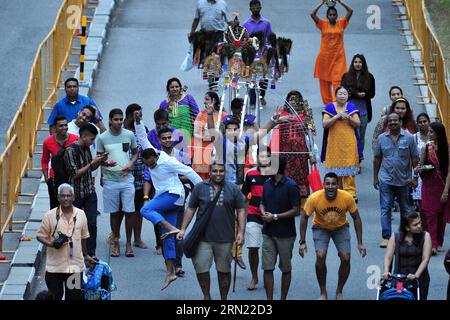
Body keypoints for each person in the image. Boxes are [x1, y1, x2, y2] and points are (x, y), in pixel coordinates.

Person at [134, 112, 203, 290]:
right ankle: (170, 273)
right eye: (148, 166)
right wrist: (138, 121)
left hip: (174, 195)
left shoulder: (168, 161)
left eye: (152, 164)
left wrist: (203, 191)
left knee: (145, 210)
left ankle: (172, 228)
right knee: (167, 240)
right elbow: (142, 138)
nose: (151, 167)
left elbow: (190, 172)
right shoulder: (151, 151)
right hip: (165, 197)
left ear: (156, 158)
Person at [177, 163, 246, 300]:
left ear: (225, 172)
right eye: (215, 171)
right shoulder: (199, 188)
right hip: (202, 238)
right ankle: (206, 296)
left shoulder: (233, 188)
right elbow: (191, 209)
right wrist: (183, 229)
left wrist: (241, 232)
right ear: (209, 172)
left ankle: (223, 299)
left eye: (221, 171)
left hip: (226, 238)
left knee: (224, 271)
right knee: (201, 269)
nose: (218, 173)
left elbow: (241, 210)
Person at [300, 172, 366, 300]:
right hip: (321, 228)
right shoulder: (314, 198)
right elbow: (304, 217)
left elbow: (356, 218)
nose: (330, 187)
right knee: (320, 255)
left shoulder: (346, 197)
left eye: (333, 184)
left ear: (338, 186)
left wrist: (360, 242)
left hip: (340, 228)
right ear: (324, 185)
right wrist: (302, 241)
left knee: (346, 258)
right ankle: (323, 291)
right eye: (328, 184)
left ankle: (339, 291)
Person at [36, 184, 97, 300]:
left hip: (74, 268)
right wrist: (52, 244)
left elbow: (84, 237)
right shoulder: (49, 216)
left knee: (73, 298)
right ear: (58, 198)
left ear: (73, 197)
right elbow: (40, 236)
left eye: (68, 196)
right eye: (63, 196)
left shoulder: (81, 214)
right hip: (55, 268)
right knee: (54, 297)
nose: (65, 198)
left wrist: (86, 255)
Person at [97, 109, 139, 258]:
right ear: (109, 120)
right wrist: (106, 163)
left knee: (129, 212)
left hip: (127, 179)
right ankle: (115, 242)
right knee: (114, 213)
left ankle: (128, 243)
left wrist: (131, 164)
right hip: (110, 180)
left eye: (121, 119)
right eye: (116, 119)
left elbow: (135, 153)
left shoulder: (129, 135)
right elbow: (99, 158)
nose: (119, 122)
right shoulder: (102, 138)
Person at [374, 112, 419, 248]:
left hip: (404, 181)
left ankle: (404, 235)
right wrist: (375, 177)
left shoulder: (409, 138)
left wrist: (415, 178)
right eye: (390, 121)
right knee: (385, 207)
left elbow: (415, 159)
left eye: (395, 120)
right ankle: (386, 237)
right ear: (387, 123)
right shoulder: (381, 138)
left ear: (400, 122)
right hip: (386, 179)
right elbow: (377, 159)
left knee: (405, 208)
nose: (392, 123)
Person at [259, 156, 300, 300]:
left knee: (285, 268)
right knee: (267, 267)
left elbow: (296, 210)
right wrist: (263, 211)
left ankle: (283, 298)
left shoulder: (291, 186)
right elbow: (262, 203)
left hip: (285, 234)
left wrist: (275, 216)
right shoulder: (267, 183)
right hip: (268, 232)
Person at [64, 123, 106, 258]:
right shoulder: (70, 151)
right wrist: (91, 164)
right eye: (92, 139)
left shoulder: (87, 148)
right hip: (76, 193)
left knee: (92, 223)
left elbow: (90, 169)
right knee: (76, 225)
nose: (93, 142)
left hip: (89, 191)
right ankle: (78, 253)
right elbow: (74, 174)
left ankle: (91, 253)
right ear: (84, 136)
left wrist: (99, 162)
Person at [271, 90, 316, 206]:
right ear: (287, 101)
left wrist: (312, 154)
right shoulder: (281, 113)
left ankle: (302, 202)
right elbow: (274, 130)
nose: (294, 102)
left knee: (302, 175)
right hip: (284, 152)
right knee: (285, 175)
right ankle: (286, 202)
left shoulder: (306, 114)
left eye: (297, 100)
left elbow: (310, 135)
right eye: (291, 100)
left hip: (301, 152)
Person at [414, 122, 450, 255]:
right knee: (430, 214)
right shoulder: (426, 148)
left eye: (431, 132)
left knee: (441, 214)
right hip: (429, 185)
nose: (428, 134)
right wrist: (418, 170)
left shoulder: (447, 149)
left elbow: (449, 172)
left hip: (442, 185)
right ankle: (433, 244)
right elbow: (420, 165)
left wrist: (446, 191)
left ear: (438, 134)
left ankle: (439, 241)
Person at [241, 145, 273, 290]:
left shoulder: (275, 175)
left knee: (269, 249)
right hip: (253, 214)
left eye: (267, 156)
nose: (264, 159)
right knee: (253, 248)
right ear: (257, 158)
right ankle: (254, 277)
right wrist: (237, 211)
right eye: (261, 156)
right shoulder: (250, 174)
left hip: (271, 217)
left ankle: (268, 275)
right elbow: (243, 195)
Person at [321, 86, 362, 200]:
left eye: (344, 94)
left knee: (349, 169)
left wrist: (349, 118)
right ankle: (336, 192)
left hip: (349, 142)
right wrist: (337, 116)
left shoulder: (351, 107)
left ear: (348, 96)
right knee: (335, 169)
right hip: (334, 143)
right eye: (340, 93)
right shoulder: (330, 107)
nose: (342, 96)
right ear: (336, 95)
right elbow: (325, 124)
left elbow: (358, 124)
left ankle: (350, 194)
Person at [311, 0, 353, 105]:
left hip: (339, 57)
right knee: (324, 82)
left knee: (338, 80)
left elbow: (350, 10)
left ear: (337, 15)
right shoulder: (322, 24)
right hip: (324, 58)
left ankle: (337, 102)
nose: (332, 16)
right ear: (327, 16)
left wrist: (340, 1)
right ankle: (328, 104)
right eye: (330, 15)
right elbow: (312, 14)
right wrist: (322, 3)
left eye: (334, 14)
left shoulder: (341, 23)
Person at [383, 211, 432, 300]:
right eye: (415, 224)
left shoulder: (425, 236)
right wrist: (386, 271)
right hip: (399, 280)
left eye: (419, 222)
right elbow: (388, 257)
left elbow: (426, 259)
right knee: (399, 296)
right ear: (407, 228)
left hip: (419, 279)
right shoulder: (396, 237)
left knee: (419, 297)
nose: (419, 226)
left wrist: (416, 275)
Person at [123, 104, 149, 250]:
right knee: (123, 209)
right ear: (128, 117)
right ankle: (117, 237)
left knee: (138, 209)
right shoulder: (121, 131)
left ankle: (137, 239)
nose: (138, 118)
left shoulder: (142, 129)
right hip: (124, 176)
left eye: (140, 115)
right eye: (135, 115)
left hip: (140, 175)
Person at [340, 54, 376, 153]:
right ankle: (350, 158)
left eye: (360, 62)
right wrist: (355, 94)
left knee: (361, 137)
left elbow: (372, 94)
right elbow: (342, 93)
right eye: (355, 62)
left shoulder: (370, 77)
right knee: (349, 136)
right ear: (352, 63)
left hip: (363, 112)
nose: (358, 64)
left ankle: (358, 159)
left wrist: (364, 95)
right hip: (348, 112)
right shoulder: (346, 76)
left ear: (363, 64)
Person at [42, 115, 79, 209]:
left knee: (73, 207)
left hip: (72, 178)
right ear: (55, 127)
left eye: (66, 125)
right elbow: (45, 161)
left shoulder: (76, 139)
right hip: (55, 179)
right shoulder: (47, 142)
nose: (64, 128)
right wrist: (47, 178)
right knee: (55, 208)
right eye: (61, 126)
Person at [192, 91, 227, 180]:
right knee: (201, 180)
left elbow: (227, 133)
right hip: (203, 151)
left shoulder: (223, 115)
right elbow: (195, 133)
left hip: (217, 150)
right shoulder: (201, 114)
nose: (204, 102)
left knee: (217, 177)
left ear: (214, 101)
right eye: (205, 99)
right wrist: (204, 138)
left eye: (207, 99)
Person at [243, 0, 272, 107]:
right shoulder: (246, 24)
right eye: (253, 7)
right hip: (250, 55)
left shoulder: (266, 23)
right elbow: (244, 40)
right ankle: (252, 101)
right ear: (250, 9)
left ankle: (262, 95)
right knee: (251, 77)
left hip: (263, 54)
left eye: (257, 7)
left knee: (263, 77)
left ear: (260, 7)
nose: (255, 9)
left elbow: (269, 38)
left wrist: (269, 51)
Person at [411, 113, 430, 211]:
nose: (423, 124)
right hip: (418, 172)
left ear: (429, 122)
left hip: (432, 172)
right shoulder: (414, 138)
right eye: (420, 122)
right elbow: (411, 157)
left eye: (425, 121)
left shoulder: (434, 137)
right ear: (417, 124)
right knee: (420, 200)